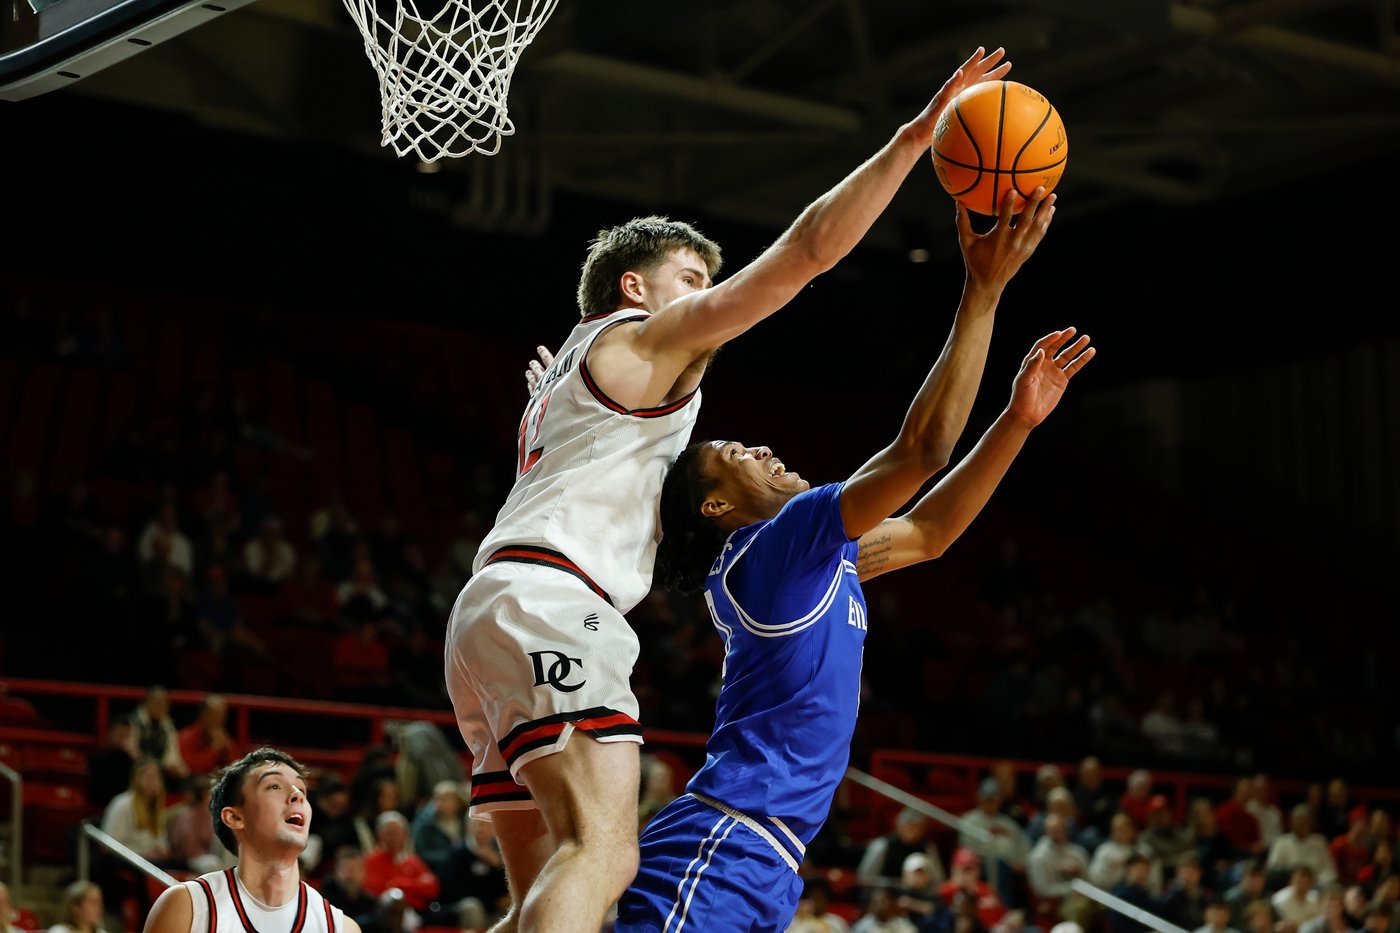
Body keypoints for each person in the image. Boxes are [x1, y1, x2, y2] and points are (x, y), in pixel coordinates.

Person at [444, 44, 1022, 933]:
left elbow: (928, 526)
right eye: (692, 280)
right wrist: (912, 138)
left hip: (490, 609)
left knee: (545, 892)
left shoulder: (576, 380)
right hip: (556, 600)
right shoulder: (640, 341)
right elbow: (807, 253)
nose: (705, 299)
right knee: (603, 851)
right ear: (634, 289)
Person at [614, 228, 1090, 928]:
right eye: (739, 453)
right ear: (716, 506)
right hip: (720, 844)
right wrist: (983, 291)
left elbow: (929, 533)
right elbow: (922, 450)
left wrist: (1017, 421)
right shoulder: (769, 549)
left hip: (764, 857)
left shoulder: (806, 565)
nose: (764, 448)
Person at [142, 747, 361, 933]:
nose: (298, 795)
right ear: (235, 817)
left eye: (302, 788)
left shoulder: (341, 927)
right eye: (274, 786)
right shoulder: (187, 908)